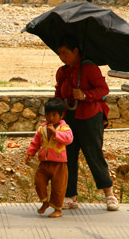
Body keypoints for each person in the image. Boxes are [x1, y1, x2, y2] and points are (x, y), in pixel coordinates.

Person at [55, 35, 119, 211]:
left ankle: (109, 194)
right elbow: (58, 94)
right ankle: (70, 196)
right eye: (59, 53)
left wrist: (85, 95)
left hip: (90, 117)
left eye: (65, 53)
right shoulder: (62, 72)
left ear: (75, 51)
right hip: (69, 118)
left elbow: (104, 90)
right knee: (68, 156)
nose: (62, 57)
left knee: (94, 155)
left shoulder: (89, 68)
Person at [25, 97, 73, 218]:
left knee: (58, 188)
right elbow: (35, 142)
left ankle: (58, 209)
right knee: (39, 182)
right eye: (47, 115)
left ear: (61, 115)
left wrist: (56, 133)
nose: (50, 118)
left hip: (59, 164)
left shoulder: (64, 128)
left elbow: (68, 139)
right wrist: (31, 153)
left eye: (54, 115)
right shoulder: (42, 128)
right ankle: (45, 202)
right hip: (44, 163)